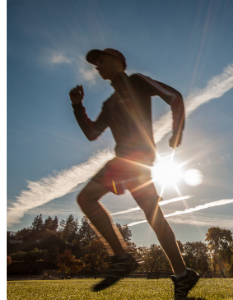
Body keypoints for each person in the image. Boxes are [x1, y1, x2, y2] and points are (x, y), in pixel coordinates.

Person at [69, 48, 197, 297]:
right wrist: (77, 106)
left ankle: (122, 257)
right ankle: (183, 275)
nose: (98, 67)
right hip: (130, 162)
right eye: (95, 65)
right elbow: (93, 133)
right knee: (154, 216)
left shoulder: (137, 82)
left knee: (86, 199)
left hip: (133, 160)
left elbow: (175, 97)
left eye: (102, 61)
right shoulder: (110, 103)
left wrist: (177, 130)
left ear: (118, 62)